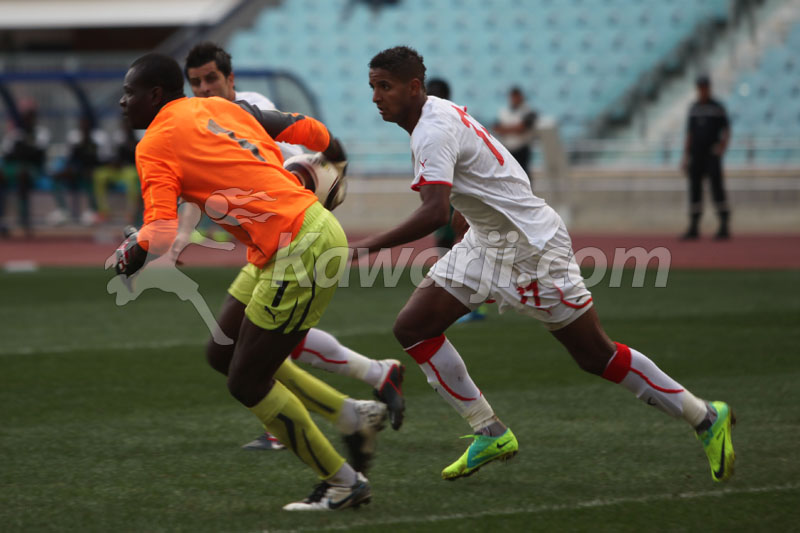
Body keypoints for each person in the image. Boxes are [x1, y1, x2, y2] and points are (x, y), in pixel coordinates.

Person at [353, 46, 735, 483]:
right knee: (413, 326)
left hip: (532, 251)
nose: (376, 97)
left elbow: (434, 211)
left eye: (385, 87)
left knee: (595, 355)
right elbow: (478, 180)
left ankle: (704, 415)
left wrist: (365, 247)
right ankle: (489, 430)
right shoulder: (436, 114)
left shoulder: (431, 132)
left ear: (414, 87)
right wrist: (472, 222)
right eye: (372, 87)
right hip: (489, 242)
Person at [113, 52, 380, 510]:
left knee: (247, 382)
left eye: (128, 93)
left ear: (155, 95)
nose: (122, 102)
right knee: (223, 351)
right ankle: (351, 415)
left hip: (298, 246)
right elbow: (311, 130)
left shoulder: (154, 143)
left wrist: (127, 256)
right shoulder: (225, 106)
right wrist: (334, 163)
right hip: (285, 244)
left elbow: (157, 234)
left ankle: (342, 482)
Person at [183, 42, 405, 452]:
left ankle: (318, 433)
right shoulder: (198, 120)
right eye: (195, 82)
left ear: (230, 80)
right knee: (230, 347)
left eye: (212, 78)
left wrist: (317, 176)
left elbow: (304, 167)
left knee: (262, 344)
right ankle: (373, 381)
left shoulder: (251, 109)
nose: (204, 88)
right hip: (268, 246)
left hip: (296, 237)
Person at [681, 74, 731, 240]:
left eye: (704, 87)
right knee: (695, 190)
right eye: (700, 87)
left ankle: (724, 224)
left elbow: (727, 129)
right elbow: (689, 134)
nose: (702, 90)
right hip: (696, 154)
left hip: (711, 154)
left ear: (709, 88)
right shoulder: (694, 109)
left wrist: (722, 147)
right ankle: (694, 225)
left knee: (717, 188)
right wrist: (685, 157)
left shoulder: (717, 108)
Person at [0, 104, 49, 237]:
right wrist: (22, 149)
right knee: (2, 175)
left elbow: (37, 155)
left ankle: (25, 220)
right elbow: (7, 155)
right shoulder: (15, 134)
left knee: (23, 175)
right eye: (25, 118)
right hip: (15, 168)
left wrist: (22, 149)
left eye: (30, 118)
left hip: (34, 170)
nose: (27, 121)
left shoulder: (41, 133)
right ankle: (2, 221)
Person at [93, 118, 142, 225]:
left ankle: (131, 212)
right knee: (99, 175)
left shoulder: (137, 139)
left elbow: (138, 158)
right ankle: (103, 211)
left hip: (129, 170)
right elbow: (111, 156)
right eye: (124, 125)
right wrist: (113, 164)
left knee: (132, 176)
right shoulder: (118, 139)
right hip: (117, 171)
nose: (126, 127)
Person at [493, 86, 537, 183]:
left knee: (524, 176)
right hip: (509, 149)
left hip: (522, 149)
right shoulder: (504, 111)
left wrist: (505, 129)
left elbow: (522, 128)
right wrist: (515, 128)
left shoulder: (527, 110)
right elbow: (496, 128)